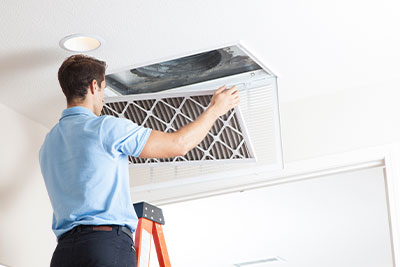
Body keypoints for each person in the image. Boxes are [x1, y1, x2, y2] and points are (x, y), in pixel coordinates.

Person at [39, 54, 240, 267]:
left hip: (63, 255)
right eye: (104, 90)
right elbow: (178, 145)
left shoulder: (48, 144)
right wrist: (216, 109)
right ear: (93, 86)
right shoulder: (105, 127)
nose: (103, 98)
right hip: (103, 245)